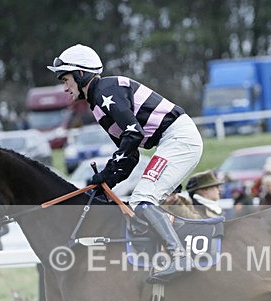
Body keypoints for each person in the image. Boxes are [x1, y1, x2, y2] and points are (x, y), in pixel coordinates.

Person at [48, 44, 203, 282]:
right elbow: (130, 155)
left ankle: (180, 256)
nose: (64, 87)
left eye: (66, 79)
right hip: (171, 141)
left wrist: (109, 172)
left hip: (179, 138)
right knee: (139, 203)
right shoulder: (98, 108)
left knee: (143, 199)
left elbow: (133, 134)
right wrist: (107, 181)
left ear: (81, 74)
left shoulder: (105, 90)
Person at [144, 186, 194, 301]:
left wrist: (177, 205)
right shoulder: (148, 208)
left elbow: (194, 224)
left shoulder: (183, 208)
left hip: (179, 273)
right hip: (154, 268)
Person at [185, 170, 226, 301]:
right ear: (204, 190)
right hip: (199, 270)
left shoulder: (213, 209)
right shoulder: (195, 211)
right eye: (215, 186)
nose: (219, 189)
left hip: (216, 268)